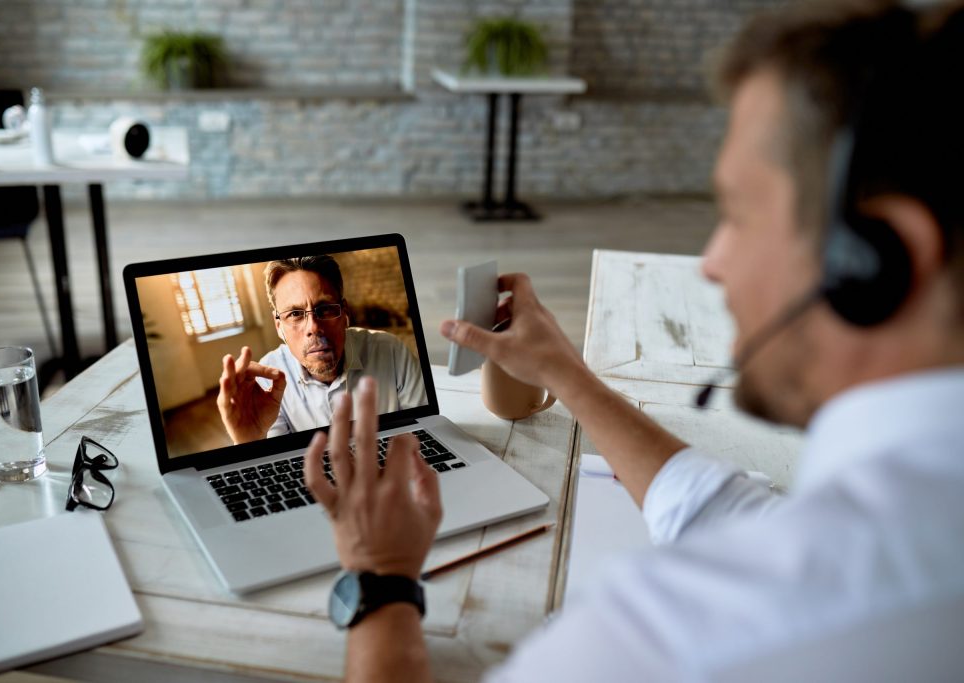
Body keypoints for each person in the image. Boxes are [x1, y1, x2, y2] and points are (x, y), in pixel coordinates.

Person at [301, 0, 964, 680]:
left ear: (877, 262)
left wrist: (379, 579)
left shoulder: (686, 635)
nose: (712, 259)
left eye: (738, 213)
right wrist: (570, 376)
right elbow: (739, 517)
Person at [217, 255, 426, 442]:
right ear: (278, 325)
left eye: (325, 309)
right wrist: (251, 443)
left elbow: (421, 432)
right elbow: (277, 465)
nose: (314, 327)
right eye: (295, 314)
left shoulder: (392, 351)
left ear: (345, 314)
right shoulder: (265, 379)